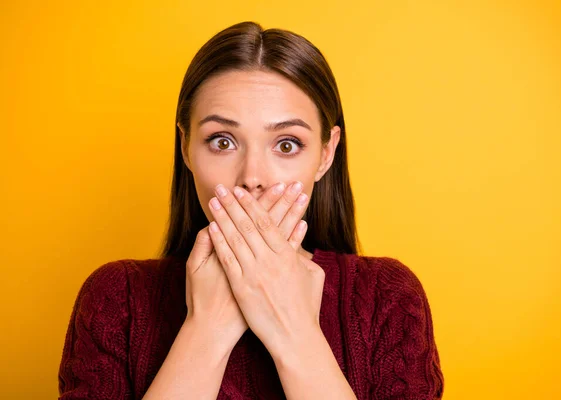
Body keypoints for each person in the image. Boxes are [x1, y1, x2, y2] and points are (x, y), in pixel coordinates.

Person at [58, 21, 444, 400]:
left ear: (326, 153)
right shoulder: (117, 298)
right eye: (222, 141)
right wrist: (207, 329)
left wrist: (294, 330)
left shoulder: (388, 296)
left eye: (287, 144)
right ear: (186, 146)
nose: (252, 177)